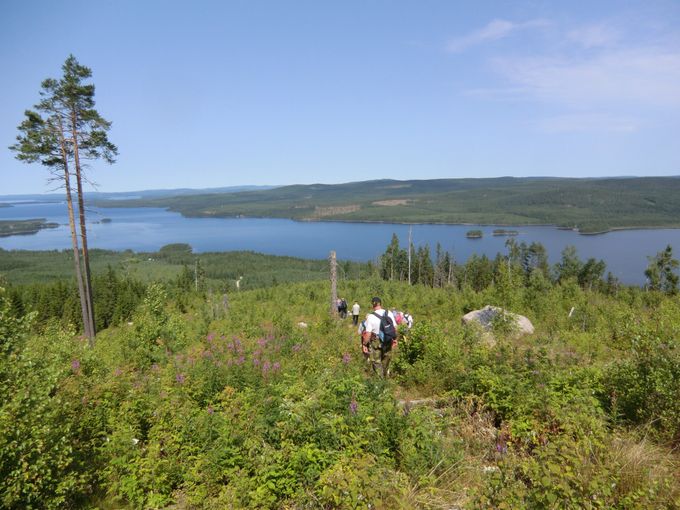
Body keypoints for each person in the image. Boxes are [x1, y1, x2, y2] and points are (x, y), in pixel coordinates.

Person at [361, 296, 397, 377]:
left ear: (372, 305)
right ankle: (385, 376)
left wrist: (365, 344)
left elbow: (368, 334)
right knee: (386, 358)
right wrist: (395, 339)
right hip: (388, 340)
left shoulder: (370, 316)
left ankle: (380, 380)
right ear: (380, 303)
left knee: (376, 361)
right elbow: (395, 328)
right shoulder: (389, 313)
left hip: (376, 341)